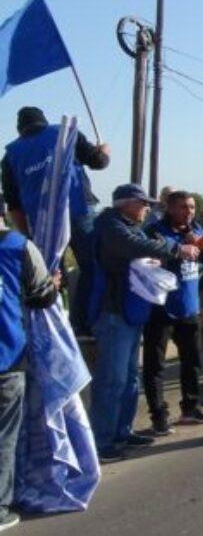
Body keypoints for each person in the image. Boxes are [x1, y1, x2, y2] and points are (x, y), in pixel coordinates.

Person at [90, 184, 199, 462]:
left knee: (128, 379)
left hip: (129, 310)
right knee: (112, 380)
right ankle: (102, 442)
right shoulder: (112, 227)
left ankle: (122, 432)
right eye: (143, 203)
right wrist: (176, 249)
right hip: (113, 312)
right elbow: (137, 246)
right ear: (125, 204)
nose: (147, 208)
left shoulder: (125, 225)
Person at [2, 107, 111, 336]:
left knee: (49, 275)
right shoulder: (64, 133)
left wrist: (28, 236)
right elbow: (98, 162)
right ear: (44, 121)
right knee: (91, 265)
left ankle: (54, 327)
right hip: (79, 209)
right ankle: (84, 324)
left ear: (19, 129)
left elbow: (13, 204)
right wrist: (104, 152)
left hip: (42, 223)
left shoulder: (10, 155)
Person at [0, 215, 59, 531]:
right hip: (6, 357)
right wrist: (54, 284)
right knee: (3, 437)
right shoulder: (17, 245)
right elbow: (43, 296)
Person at [142, 190, 203, 436]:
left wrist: (199, 244)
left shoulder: (196, 229)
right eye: (183, 207)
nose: (189, 212)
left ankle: (191, 407)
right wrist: (178, 248)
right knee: (155, 366)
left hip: (189, 307)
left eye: (192, 207)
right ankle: (159, 416)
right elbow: (150, 257)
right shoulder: (155, 231)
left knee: (192, 360)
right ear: (169, 208)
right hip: (161, 308)